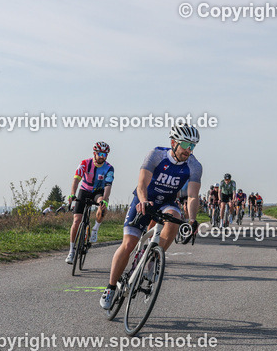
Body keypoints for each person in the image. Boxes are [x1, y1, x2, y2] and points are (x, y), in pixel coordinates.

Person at [100, 125, 202, 310]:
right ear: (174, 143)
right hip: (144, 199)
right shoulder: (156, 155)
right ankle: (111, 287)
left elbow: (193, 196)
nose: (189, 149)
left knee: (176, 218)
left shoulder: (194, 166)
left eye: (193, 146)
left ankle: (153, 257)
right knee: (129, 244)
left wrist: (192, 220)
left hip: (167, 202)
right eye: (186, 144)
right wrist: (144, 201)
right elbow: (142, 183)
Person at [66, 141, 114, 264]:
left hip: (98, 192)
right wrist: (72, 193)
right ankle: (71, 251)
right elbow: (76, 179)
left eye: (105, 154)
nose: (103, 156)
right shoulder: (85, 163)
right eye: (100, 153)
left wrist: (104, 199)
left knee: (103, 204)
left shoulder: (109, 168)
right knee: (76, 220)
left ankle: (95, 229)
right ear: (94, 153)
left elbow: (108, 185)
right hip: (84, 190)